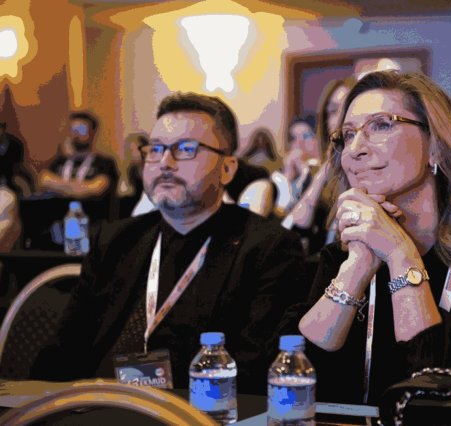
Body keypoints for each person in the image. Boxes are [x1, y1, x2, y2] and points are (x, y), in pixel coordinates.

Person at [282, 70, 451, 405]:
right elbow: (292, 380)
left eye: (381, 125)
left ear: (435, 147)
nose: (355, 149)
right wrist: (357, 267)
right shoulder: (341, 257)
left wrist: (399, 253)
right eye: (347, 135)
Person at [31, 93, 306, 393]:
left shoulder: (267, 248)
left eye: (186, 149)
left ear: (227, 168)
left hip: (191, 410)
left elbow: (251, 376)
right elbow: (62, 351)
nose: (165, 163)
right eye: (156, 149)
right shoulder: (115, 241)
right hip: (95, 402)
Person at [283, 77, 355, 255]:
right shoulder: (318, 177)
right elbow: (291, 235)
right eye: (333, 111)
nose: (340, 118)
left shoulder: (373, 174)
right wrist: (322, 174)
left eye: (347, 107)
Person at [38, 112, 119, 201]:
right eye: (73, 129)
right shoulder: (60, 161)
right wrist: (78, 188)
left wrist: (57, 185)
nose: (76, 135)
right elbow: (43, 180)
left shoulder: (104, 163)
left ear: (92, 133)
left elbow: (96, 189)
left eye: (81, 130)